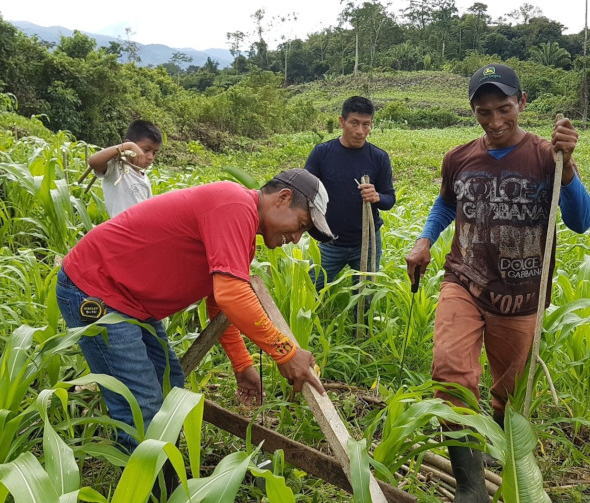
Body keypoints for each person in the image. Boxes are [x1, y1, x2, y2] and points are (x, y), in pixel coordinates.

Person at [405, 63, 590, 502]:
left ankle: (490, 437)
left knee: (507, 389)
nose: (494, 122)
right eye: (483, 112)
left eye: (503, 108)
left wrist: (567, 171)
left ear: (522, 103)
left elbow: (581, 222)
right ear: (473, 111)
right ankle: (471, 489)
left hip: (521, 295)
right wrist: (424, 240)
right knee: (451, 374)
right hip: (464, 280)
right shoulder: (458, 158)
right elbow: (447, 204)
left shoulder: (549, 156)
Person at [56, 168, 332, 452]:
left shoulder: (242, 225)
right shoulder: (233, 204)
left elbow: (217, 297)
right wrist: (285, 352)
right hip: (96, 290)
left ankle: (160, 473)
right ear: (283, 198)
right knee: (143, 407)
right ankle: (146, 486)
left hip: (131, 302)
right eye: (301, 224)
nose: (298, 238)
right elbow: (232, 294)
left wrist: (242, 364)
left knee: (170, 386)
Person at [304, 96, 396, 291]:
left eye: (366, 124)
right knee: (310, 292)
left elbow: (390, 199)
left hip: (367, 243)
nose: (360, 131)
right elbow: (305, 192)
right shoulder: (322, 153)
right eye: (354, 123)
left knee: (366, 299)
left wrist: (377, 196)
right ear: (341, 121)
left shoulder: (379, 157)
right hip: (328, 242)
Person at [87, 119, 163, 217]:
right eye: (146, 150)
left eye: (154, 153)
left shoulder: (144, 178)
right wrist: (128, 146)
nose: (150, 157)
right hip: (122, 230)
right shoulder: (116, 168)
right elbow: (93, 162)